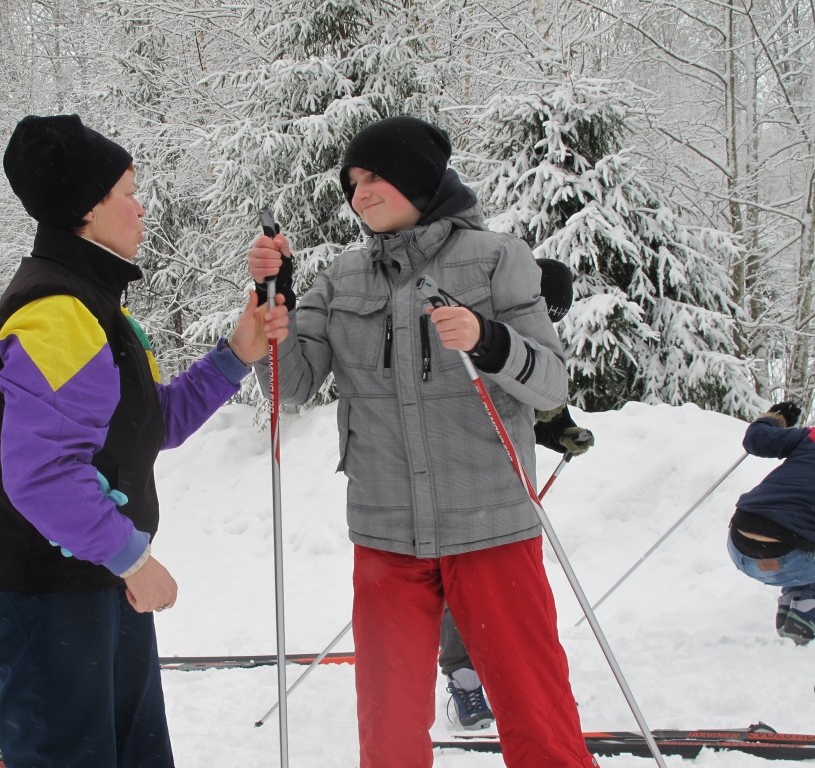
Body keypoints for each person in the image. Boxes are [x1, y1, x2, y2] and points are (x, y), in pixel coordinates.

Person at [248, 115, 598, 768]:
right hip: (386, 536)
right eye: (352, 182)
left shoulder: (498, 259)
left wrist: (489, 340)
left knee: (535, 713)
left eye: (375, 176)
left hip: (492, 526)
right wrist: (277, 300)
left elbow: (549, 380)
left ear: (418, 178)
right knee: (388, 729)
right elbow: (290, 383)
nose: (360, 193)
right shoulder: (342, 278)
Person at [0, 114, 288, 768]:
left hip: (92, 580)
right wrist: (134, 561)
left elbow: (148, 422)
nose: (142, 208)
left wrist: (235, 354)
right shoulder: (55, 311)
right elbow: (44, 475)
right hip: (44, 590)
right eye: (128, 192)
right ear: (86, 207)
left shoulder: (95, 303)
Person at [439, 259, 595, 732]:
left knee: (510, 595)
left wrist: (563, 432)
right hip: (450, 484)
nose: (543, 325)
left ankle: (521, 692)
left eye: (552, 318)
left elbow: (541, 408)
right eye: (543, 312)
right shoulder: (467, 333)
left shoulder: (528, 344)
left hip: (505, 494)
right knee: (455, 588)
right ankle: (464, 682)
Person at [727, 401, 815, 646]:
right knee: (800, 542)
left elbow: (756, 440)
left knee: (800, 536)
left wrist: (776, 418)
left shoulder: (810, 437)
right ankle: (806, 608)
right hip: (787, 559)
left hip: (740, 545)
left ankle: (796, 607)